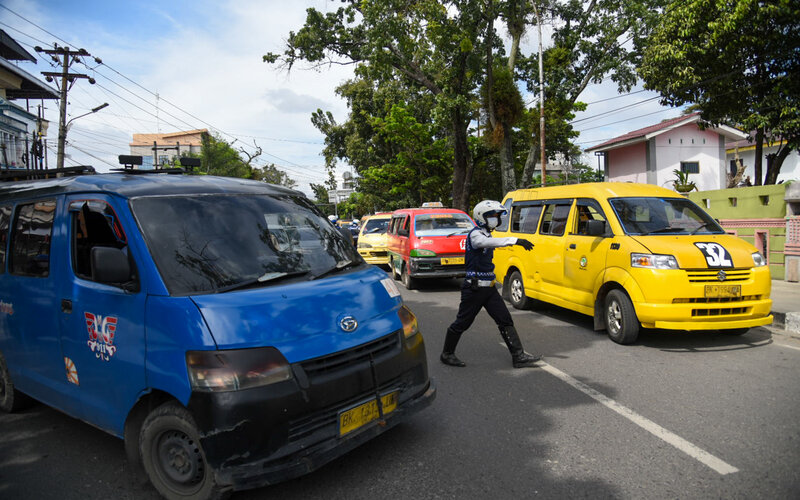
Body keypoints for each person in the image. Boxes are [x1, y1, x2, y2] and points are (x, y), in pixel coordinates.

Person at [441, 200, 542, 369]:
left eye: (497, 216)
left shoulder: (487, 234)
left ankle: (518, 356)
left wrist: (514, 241)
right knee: (462, 323)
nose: (496, 219)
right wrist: (515, 240)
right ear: (482, 217)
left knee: (505, 320)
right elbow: (484, 243)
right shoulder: (475, 235)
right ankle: (447, 354)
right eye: (492, 216)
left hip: (489, 289)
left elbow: (491, 241)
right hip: (474, 289)